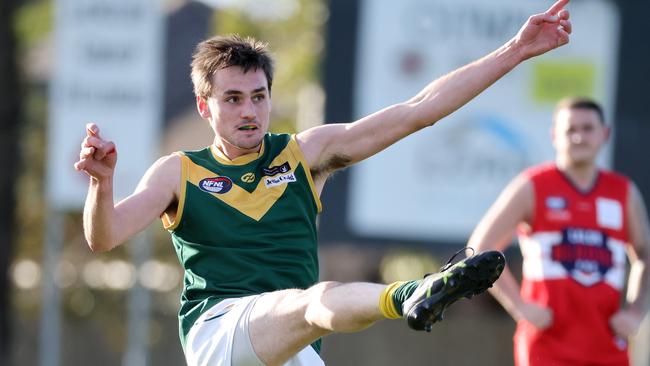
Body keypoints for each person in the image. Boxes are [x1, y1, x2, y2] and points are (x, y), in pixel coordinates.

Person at [74, 1, 571, 365]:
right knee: (316, 298)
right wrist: (102, 184)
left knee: (310, 305)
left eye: (258, 96)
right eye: (232, 99)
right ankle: (412, 294)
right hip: (220, 334)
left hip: (294, 344)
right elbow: (105, 236)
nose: (248, 111)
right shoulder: (177, 171)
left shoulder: (304, 153)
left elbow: (418, 111)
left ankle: (414, 293)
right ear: (205, 106)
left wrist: (516, 50)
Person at [468, 97, 650, 366]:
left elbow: (645, 256)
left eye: (588, 128)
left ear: (605, 134)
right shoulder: (532, 186)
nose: (579, 137)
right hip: (546, 347)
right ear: (555, 135)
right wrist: (518, 305)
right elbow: (479, 250)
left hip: (607, 347)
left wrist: (636, 312)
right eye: (570, 130)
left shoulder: (623, 192)